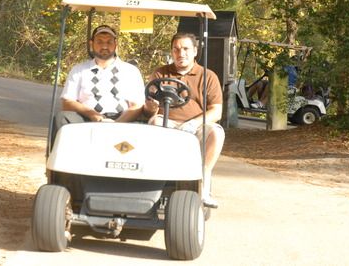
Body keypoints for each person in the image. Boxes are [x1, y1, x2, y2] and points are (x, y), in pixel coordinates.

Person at [142, 32, 225, 208]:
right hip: (166, 122)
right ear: (172, 52)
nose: (181, 54)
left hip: (197, 125)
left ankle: (203, 184)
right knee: (155, 123)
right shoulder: (160, 73)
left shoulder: (208, 76)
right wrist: (152, 106)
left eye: (186, 49)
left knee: (216, 133)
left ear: (195, 51)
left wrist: (193, 123)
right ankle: (151, 184)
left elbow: (216, 111)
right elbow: (149, 110)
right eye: (176, 49)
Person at [53, 25, 145, 135]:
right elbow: (67, 102)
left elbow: (137, 106)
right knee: (62, 117)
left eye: (109, 42)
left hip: (122, 120)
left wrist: (117, 124)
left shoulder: (131, 71)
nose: (104, 46)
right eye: (99, 42)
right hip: (87, 119)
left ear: (116, 44)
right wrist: (92, 114)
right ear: (91, 44)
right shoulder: (79, 70)